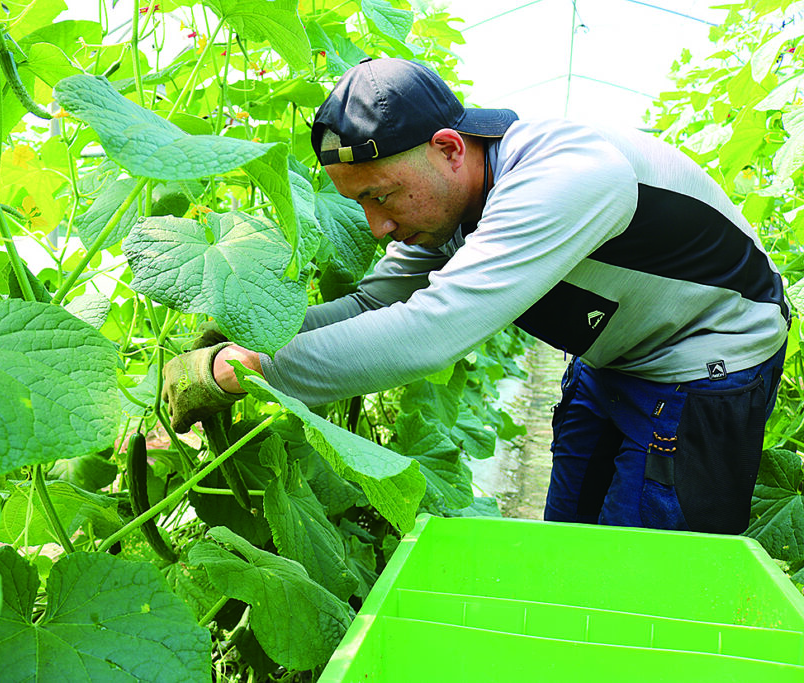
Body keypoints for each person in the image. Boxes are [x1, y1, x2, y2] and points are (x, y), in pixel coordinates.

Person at [162, 57, 789, 534]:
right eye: (360, 204)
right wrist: (252, 338)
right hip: (613, 360)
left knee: (647, 580)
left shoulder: (563, 179)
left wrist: (244, 374)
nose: (377, 227)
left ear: (448, 149)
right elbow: (370, 308)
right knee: (566, 546)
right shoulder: (447, 201)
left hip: (706, 366)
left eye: (380, 195)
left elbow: (432, 331)